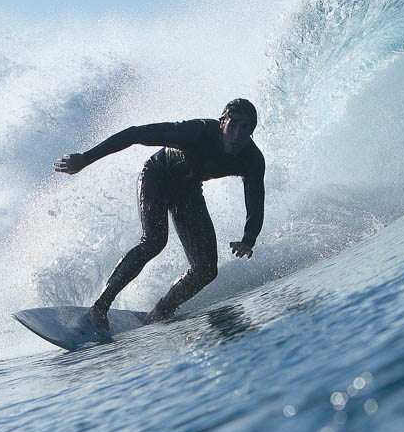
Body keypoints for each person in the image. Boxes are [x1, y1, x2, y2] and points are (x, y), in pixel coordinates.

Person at [54, 98, 265, 330]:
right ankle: (100, 307)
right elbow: (135, 134)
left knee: (206, 269)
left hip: (187, 191)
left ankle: (160, 312)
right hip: (157, 176)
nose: (236, 135)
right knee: (154, 241)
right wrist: (86, 158)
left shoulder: (252, 160)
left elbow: (255, 199)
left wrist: (248, 239)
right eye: (232, 125)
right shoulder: (195, 132)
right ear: (221, 123)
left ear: (252, 131)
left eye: (245, 128)